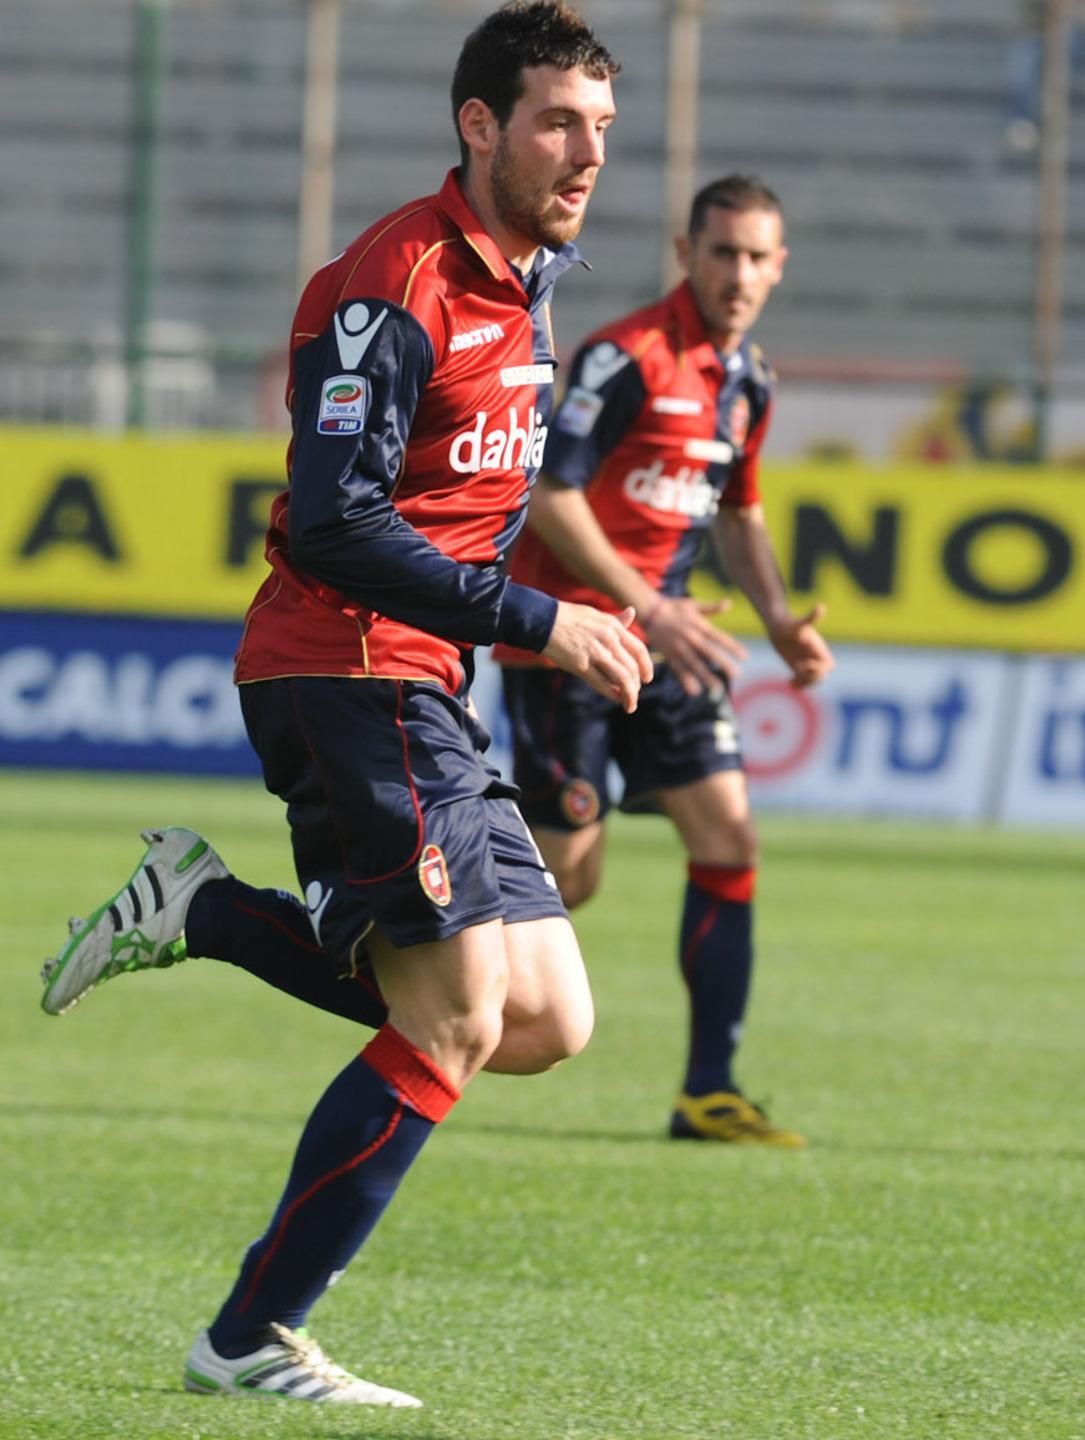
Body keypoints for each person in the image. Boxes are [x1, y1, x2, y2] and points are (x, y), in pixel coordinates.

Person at [40, 2, 649, 1409]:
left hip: (428, 680)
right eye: (560, 122)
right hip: (344, 665)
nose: (587, 153)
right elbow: (333, 523)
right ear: (479, 123)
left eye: (603, 129)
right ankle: (251, 1335)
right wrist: (543, 619)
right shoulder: (394, 282)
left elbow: (475, 497)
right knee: (451, 1019)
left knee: (547, 1019)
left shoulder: (535, 274)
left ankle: (206, 912)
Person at [493, 173, 834, 1147]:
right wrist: (649, 607)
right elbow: (553, 498)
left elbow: (739, 507)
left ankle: (707, 1091)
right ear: (686, 255)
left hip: (666, 642)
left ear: (778, 269)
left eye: (756, 256)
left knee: (728, 836)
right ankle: (425, 980)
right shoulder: (626, 356)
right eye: (721, 252)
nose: (738, 273)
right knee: (571, 875)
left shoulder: (749, 381)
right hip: (572, 643)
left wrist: (774, 616)